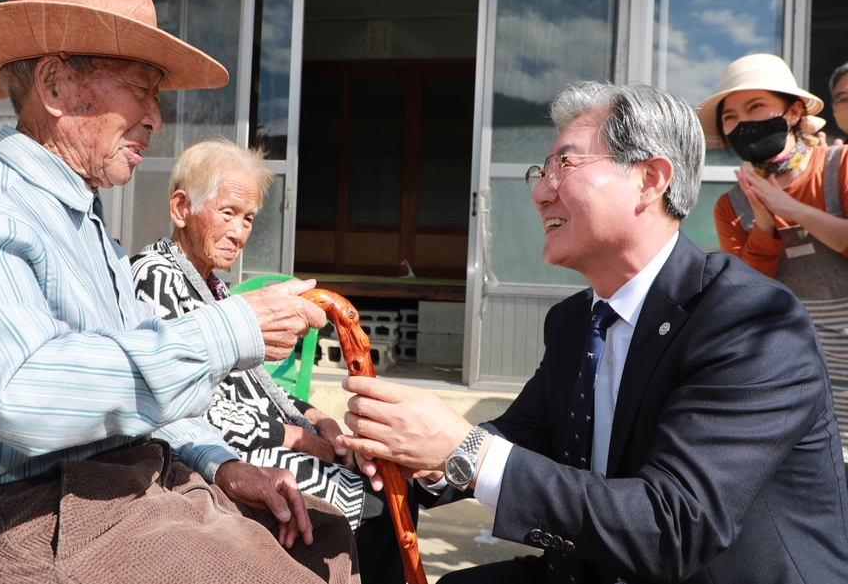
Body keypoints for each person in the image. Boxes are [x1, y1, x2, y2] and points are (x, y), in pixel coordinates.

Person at [0, 0, 360, 584]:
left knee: (327, 535)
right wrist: (229, 328)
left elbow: (141, 390)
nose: (157, 119)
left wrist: (221, 464)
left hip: (111, 492)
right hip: (17, 521)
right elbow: (20, 394)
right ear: (56, 86)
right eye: (143, 89)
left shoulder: (87, 228)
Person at [336, 81, 848, 583]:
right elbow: (522, 438)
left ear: (651, 179)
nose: (539, 192)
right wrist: (403, 450)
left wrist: (464, 452)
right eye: (541, 170)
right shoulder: (575, 321)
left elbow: (675, 527)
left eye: (565, 164)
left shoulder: (748, 318)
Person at [130, 138, 416, 584]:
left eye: (247, 219)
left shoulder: (213, 285)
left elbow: (259, 384)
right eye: (227, 213)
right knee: (376, 504)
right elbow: (189, 406)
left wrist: (316, 416)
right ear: (181, 208)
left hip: (266, 438)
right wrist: (300, 438)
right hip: (216, 455)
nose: (239, 232)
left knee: (394, 482)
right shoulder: (154, 277)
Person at [702, 53, 848, 460]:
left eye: (755, 107)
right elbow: (746, 291)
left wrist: (795, 209)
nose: (742, 123)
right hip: (787, 367)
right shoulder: (731, 206)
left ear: (793, 111)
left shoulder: (840, 165)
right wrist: (764, 225)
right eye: (730, 116)